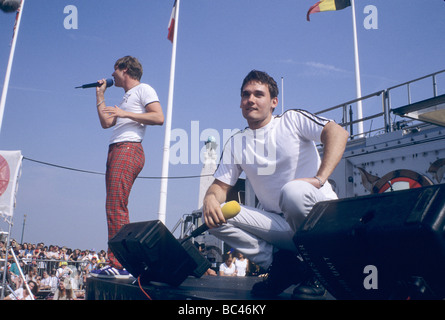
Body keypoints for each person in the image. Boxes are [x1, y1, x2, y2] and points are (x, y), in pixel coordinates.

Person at [202, 70, 349, 299]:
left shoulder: (292, 120)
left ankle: (315, 268)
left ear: (273, 102)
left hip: (321, 220)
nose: (250, 99)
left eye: (258, 94)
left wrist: (320, 179)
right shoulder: (236, 143)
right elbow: (220, 187)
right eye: (245, 94)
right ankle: (285, 267)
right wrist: (210, 198)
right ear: (240, 102)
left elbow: (337, 133)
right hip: (281, 224)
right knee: (214, 216)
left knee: (292, 192)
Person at [92, 56, 164, 278]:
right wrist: (100, 96)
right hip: (116, 148)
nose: (112, 75)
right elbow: (106, 123)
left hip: (129, 148)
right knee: (114, 204)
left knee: (116, 204)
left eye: (115, 70)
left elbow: (159, 117)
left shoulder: (144, 89)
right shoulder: (125, 98)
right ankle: (122, 262)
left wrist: (125, 113)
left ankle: (121, 264)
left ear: (125, 69)